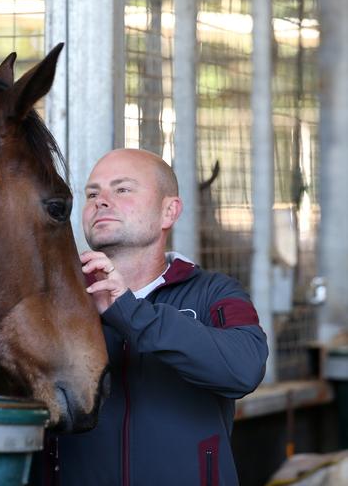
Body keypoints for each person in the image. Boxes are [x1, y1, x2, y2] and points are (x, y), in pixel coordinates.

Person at [34, 148, 268, 485]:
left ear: (168, 211)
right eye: (92, 193)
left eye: (123, 189)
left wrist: (128, 311)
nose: (101, 200)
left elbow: (244, 369)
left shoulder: (214, 292)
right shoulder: (54, 298)